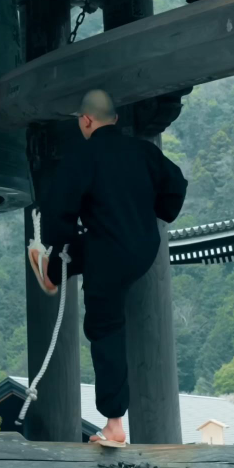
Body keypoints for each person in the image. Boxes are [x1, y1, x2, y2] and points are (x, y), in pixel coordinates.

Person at [28, 89, 188, 446]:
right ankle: (53, 272)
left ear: (86, 120)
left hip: (108, 254)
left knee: (105, 327)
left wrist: (59, 245)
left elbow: (59, 211)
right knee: (91, 249)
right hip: (143, 249)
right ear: (114, 119)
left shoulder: (83, 156)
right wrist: (159, 210)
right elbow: (176, 185)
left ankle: (114, 423)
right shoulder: (144, 151)